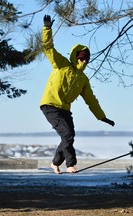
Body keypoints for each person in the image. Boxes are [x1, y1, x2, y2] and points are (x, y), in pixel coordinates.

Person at [40, 15, 115, 174]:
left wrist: (102, 117)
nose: (84, 62)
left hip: (65, 109)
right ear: (76, 57)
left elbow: (91, 100)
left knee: (69, 136)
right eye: (82, 58)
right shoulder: (62, 65)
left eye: (87, 59)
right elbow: (48, 48)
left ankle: (55, 163)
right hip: (50, 105)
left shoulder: (83, 79)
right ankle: (70, 164)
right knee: (66, 134)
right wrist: (47, 29)